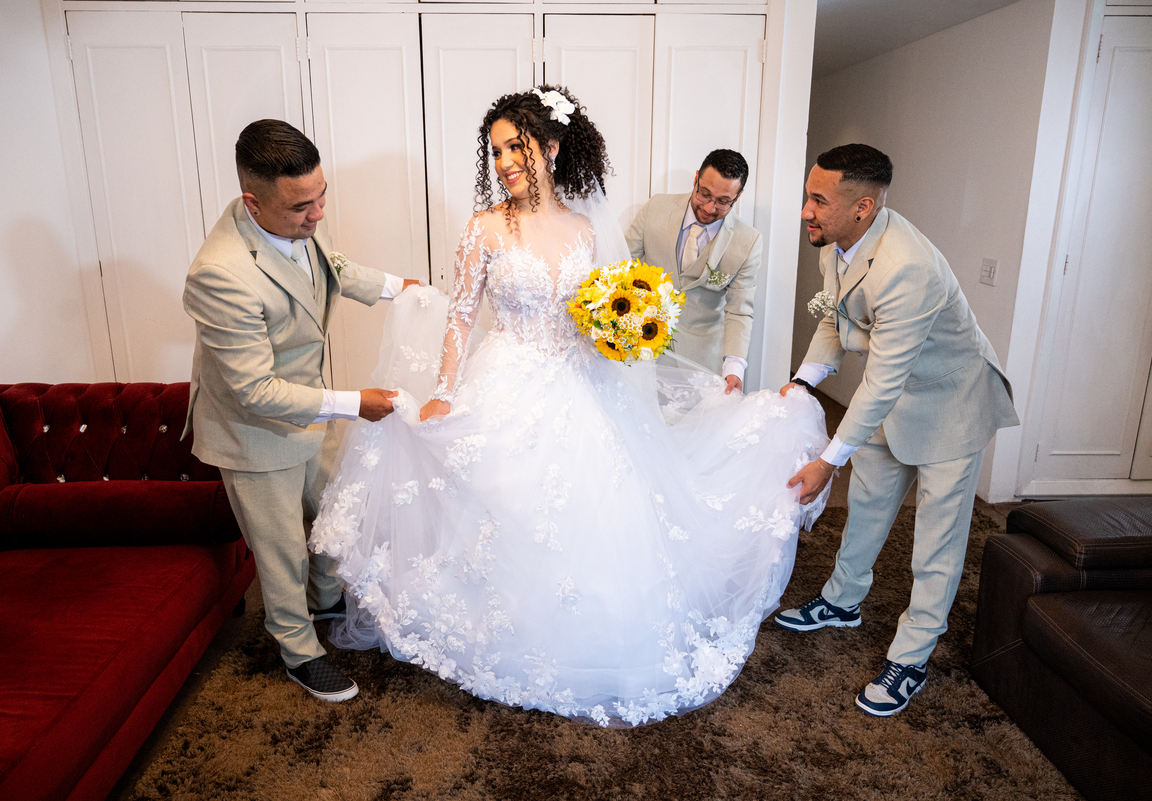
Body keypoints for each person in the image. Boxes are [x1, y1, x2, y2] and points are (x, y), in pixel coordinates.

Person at [308, 86, 831, 728]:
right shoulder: (484, 229)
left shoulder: (585, 231)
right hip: (503, 380)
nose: (503, 163)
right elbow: (463, 317)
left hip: (579, 389)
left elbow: (587, 320)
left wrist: (620, 331)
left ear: (550, 148)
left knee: (592, 514)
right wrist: (443, 393)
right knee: (498, 507)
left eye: (516, 148)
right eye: (495, 150)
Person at [773, 144, 1019, 717]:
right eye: (807, 195)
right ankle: (842, 602)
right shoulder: (835, 243)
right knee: (868, 504)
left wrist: (828, 460)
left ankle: (912, 656)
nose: (805, 210)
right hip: (895, 400)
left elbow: (879, 383)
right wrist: (804, 382)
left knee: (936, 542)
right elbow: (835, 319)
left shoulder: (907, 265)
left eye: (818, 200)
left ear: (863, 206)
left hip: (952, 402)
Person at [182, 119, 418, 702]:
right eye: (300, 208)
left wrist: (396, 287)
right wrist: (353, 406)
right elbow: (255, 391)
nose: (315, 216)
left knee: (329, 509)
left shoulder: (299, 207)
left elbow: (325, 263)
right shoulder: (219, 274)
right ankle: (298, 651)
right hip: (253, 429)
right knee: (281, 546)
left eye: (321, 199)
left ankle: (326, 603)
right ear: (253, 202)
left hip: (310, 401)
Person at [625, 149, 761, 393]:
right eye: (704, 194)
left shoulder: (748, 241)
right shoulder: (656, 206)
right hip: (642, 351)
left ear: (738, 196)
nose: (710, 208)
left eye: (723, 201)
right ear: (696, 178)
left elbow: (739, 311)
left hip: (702, 362)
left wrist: (734, 366)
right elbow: (622, 265)